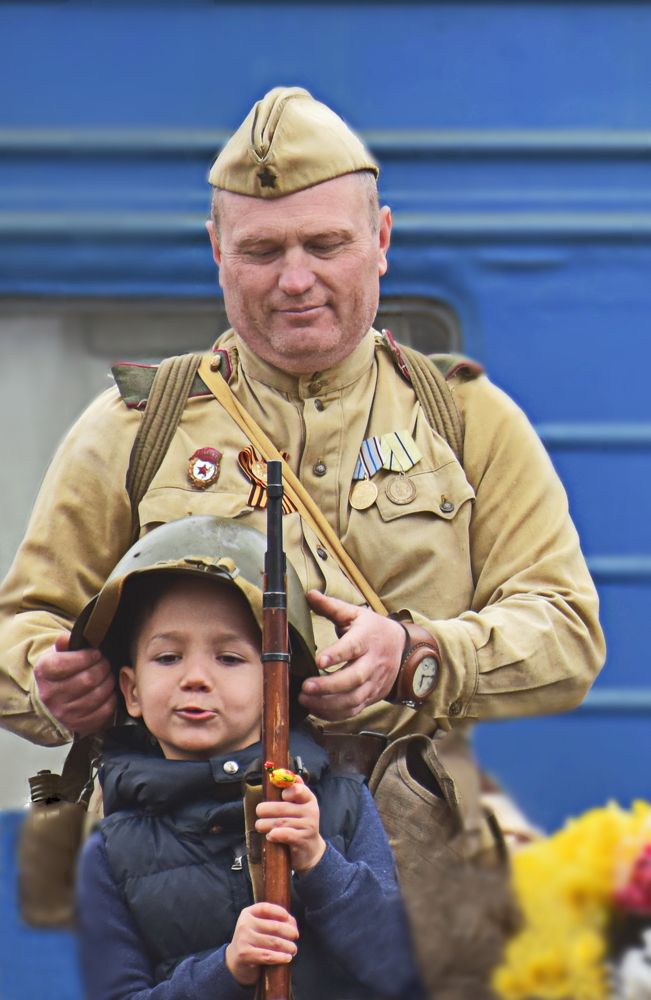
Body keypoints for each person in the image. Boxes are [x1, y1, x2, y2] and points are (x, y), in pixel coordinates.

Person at [0, 85, 604, 990]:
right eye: (261, 249)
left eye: (325, 244)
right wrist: (55, 680)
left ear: (382, 239)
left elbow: (568, 631)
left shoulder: (467, 419)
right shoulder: (131, 430)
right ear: (216, 252)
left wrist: (418, 653)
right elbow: (21, 633)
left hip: (412, 890)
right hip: (185, 902)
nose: (294, 278)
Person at [75, 515, 422, 1000]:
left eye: (230, 658)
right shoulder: (109, 851)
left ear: (276, 685)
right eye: (168, 657)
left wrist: (318, 862)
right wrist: (226, 970)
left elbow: (403, 971)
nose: (195, 677)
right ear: (131, 691)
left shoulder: (338, 802)